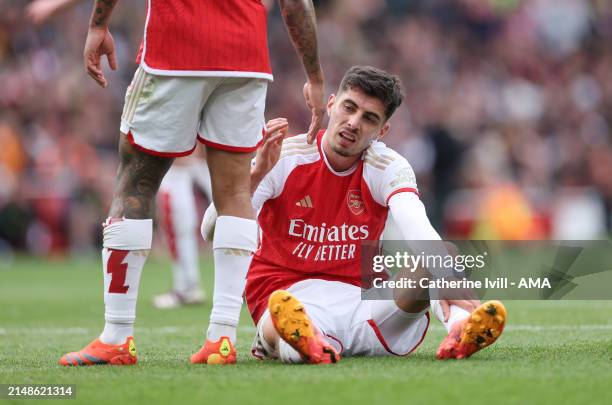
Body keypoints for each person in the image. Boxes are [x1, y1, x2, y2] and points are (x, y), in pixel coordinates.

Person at [59, 0, 324, 366]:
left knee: (136, 182)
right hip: (244, 56)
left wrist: (98, 25)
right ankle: (222, 338)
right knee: (235, 191)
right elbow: (295, 3)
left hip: (175, 47)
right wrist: (315, 76)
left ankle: (117, 337)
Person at [203, 66, 507, 364]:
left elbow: (416, 224)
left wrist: (449, 276)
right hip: (289, 294)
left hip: (367, 306)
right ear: (332, 105)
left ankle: (459, 326)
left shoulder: (387, 165)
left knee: (440, 257)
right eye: (349, 108)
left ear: (382, 130)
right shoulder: (283, 156)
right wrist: (254, 176)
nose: (353, 122)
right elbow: (211, 229)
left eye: (369, 118)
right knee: (286, 322)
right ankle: (295, 342)